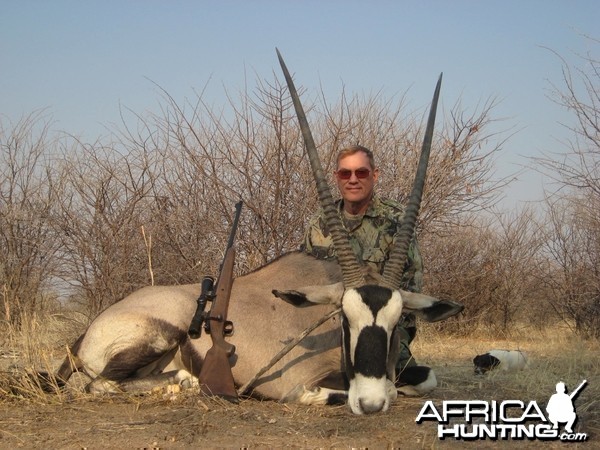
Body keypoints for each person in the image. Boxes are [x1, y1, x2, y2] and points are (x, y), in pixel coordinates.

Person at [301, 144, 423, 379]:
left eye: (362, 172)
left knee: (400, 375)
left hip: (380, 328)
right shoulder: (319, 224)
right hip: (330, 328)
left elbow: (410, 288)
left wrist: (386, 335)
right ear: (337, 177)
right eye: (345, 173)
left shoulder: (397, 221)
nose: (353, 180)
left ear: (374, 175)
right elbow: (304, 275)